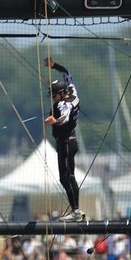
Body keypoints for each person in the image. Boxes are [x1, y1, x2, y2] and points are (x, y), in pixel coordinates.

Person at [43, 57, 85, 222]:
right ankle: (75, 209)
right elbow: (67, 73)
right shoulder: (72, 92)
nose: (53, 99)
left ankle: (76, 211)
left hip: (67, 142)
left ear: (61, 94)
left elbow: (65, 118)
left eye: (54, 96)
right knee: (65, 177)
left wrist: (55, 121)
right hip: (68, 142)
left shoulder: (63, 105)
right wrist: (55, 66)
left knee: (68, 176)